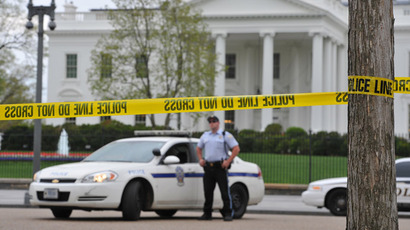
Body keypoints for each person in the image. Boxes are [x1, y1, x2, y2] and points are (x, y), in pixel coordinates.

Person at [196, 115, 240, 221]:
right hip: (208, 167)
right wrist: (200, 159)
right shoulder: (205, 135)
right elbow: (198, 148)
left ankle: (228, 213)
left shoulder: (225, 135)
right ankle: (207, 213)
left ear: (218, 123)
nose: (212, 123)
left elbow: (236, 149)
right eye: (210, 122)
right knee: (208, 192)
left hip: (220, 167)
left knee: (224, 192)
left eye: (214, 121)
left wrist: (228, 161)